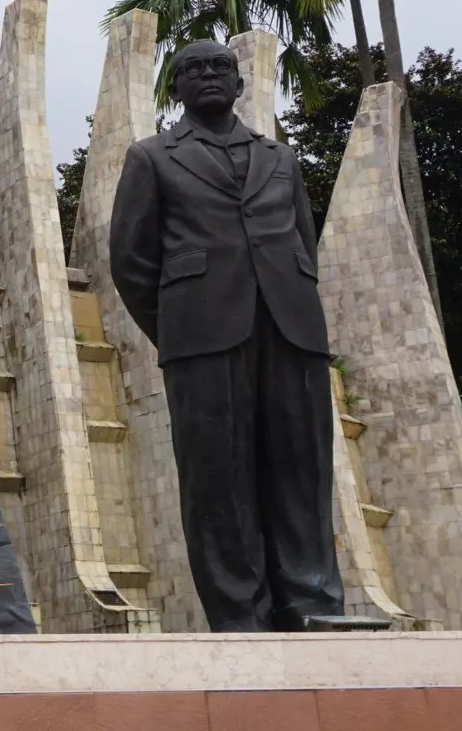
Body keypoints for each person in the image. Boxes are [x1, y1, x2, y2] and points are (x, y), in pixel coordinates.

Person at [107, 38, 344, 632]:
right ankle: (241, 612)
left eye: (220, 67)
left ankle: (313, 603)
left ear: (240, 85)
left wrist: (288, 299)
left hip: (290, 330)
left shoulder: (280, 158)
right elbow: (131, 262)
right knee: (219, 476)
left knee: (303, 468)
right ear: (175, 89)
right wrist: (179, 330)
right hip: (201, 337)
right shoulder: (152, 156)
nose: (208, 75)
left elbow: (302, 244)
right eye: (192, 69)